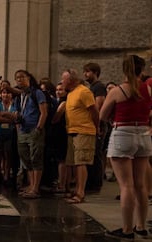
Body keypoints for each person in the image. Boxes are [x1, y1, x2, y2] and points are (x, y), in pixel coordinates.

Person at [102, 55, 151, 240]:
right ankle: (141, 227)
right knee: (141, 186)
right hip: (144, 133)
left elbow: (102, 115)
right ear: (142, 69)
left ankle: (127, 229)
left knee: (126, 186)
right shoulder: (148, 89)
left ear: (124, 69)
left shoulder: (117, 90)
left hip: (123, 133)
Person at [61, 68, 98, 204]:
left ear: (71, 80)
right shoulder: (71, 93)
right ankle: (75, 190)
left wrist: (97, 127)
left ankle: (80, 193)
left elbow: (94, 111)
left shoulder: (84, 91)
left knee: (81, 162)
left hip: (84, 131)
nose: (61, 82)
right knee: (74, 163)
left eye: (63, 79)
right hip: (72, 131)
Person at [14, 70, 47, 199]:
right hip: (22, 130)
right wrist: (18, 127)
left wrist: (39, 128)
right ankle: (30, 185)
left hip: (34, 129)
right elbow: (18, 112)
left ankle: (35, 188)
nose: (19, 80)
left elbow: (44, 112)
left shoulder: (37, 93)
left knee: (36, 158)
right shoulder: (19, 96)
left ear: (28, 78)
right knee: (26, 158)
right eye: (17, 78)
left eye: (22, 77)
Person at [83, 62, 107, 193]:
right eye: (84, 71)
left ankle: (95, 184)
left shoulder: (99, 87)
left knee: (95, 154)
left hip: (97, 124)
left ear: (95, 73)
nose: (85, 74)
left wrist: (96, 124)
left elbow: (99, 105)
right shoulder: (91, 87)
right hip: (91, 124)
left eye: (88, 71)